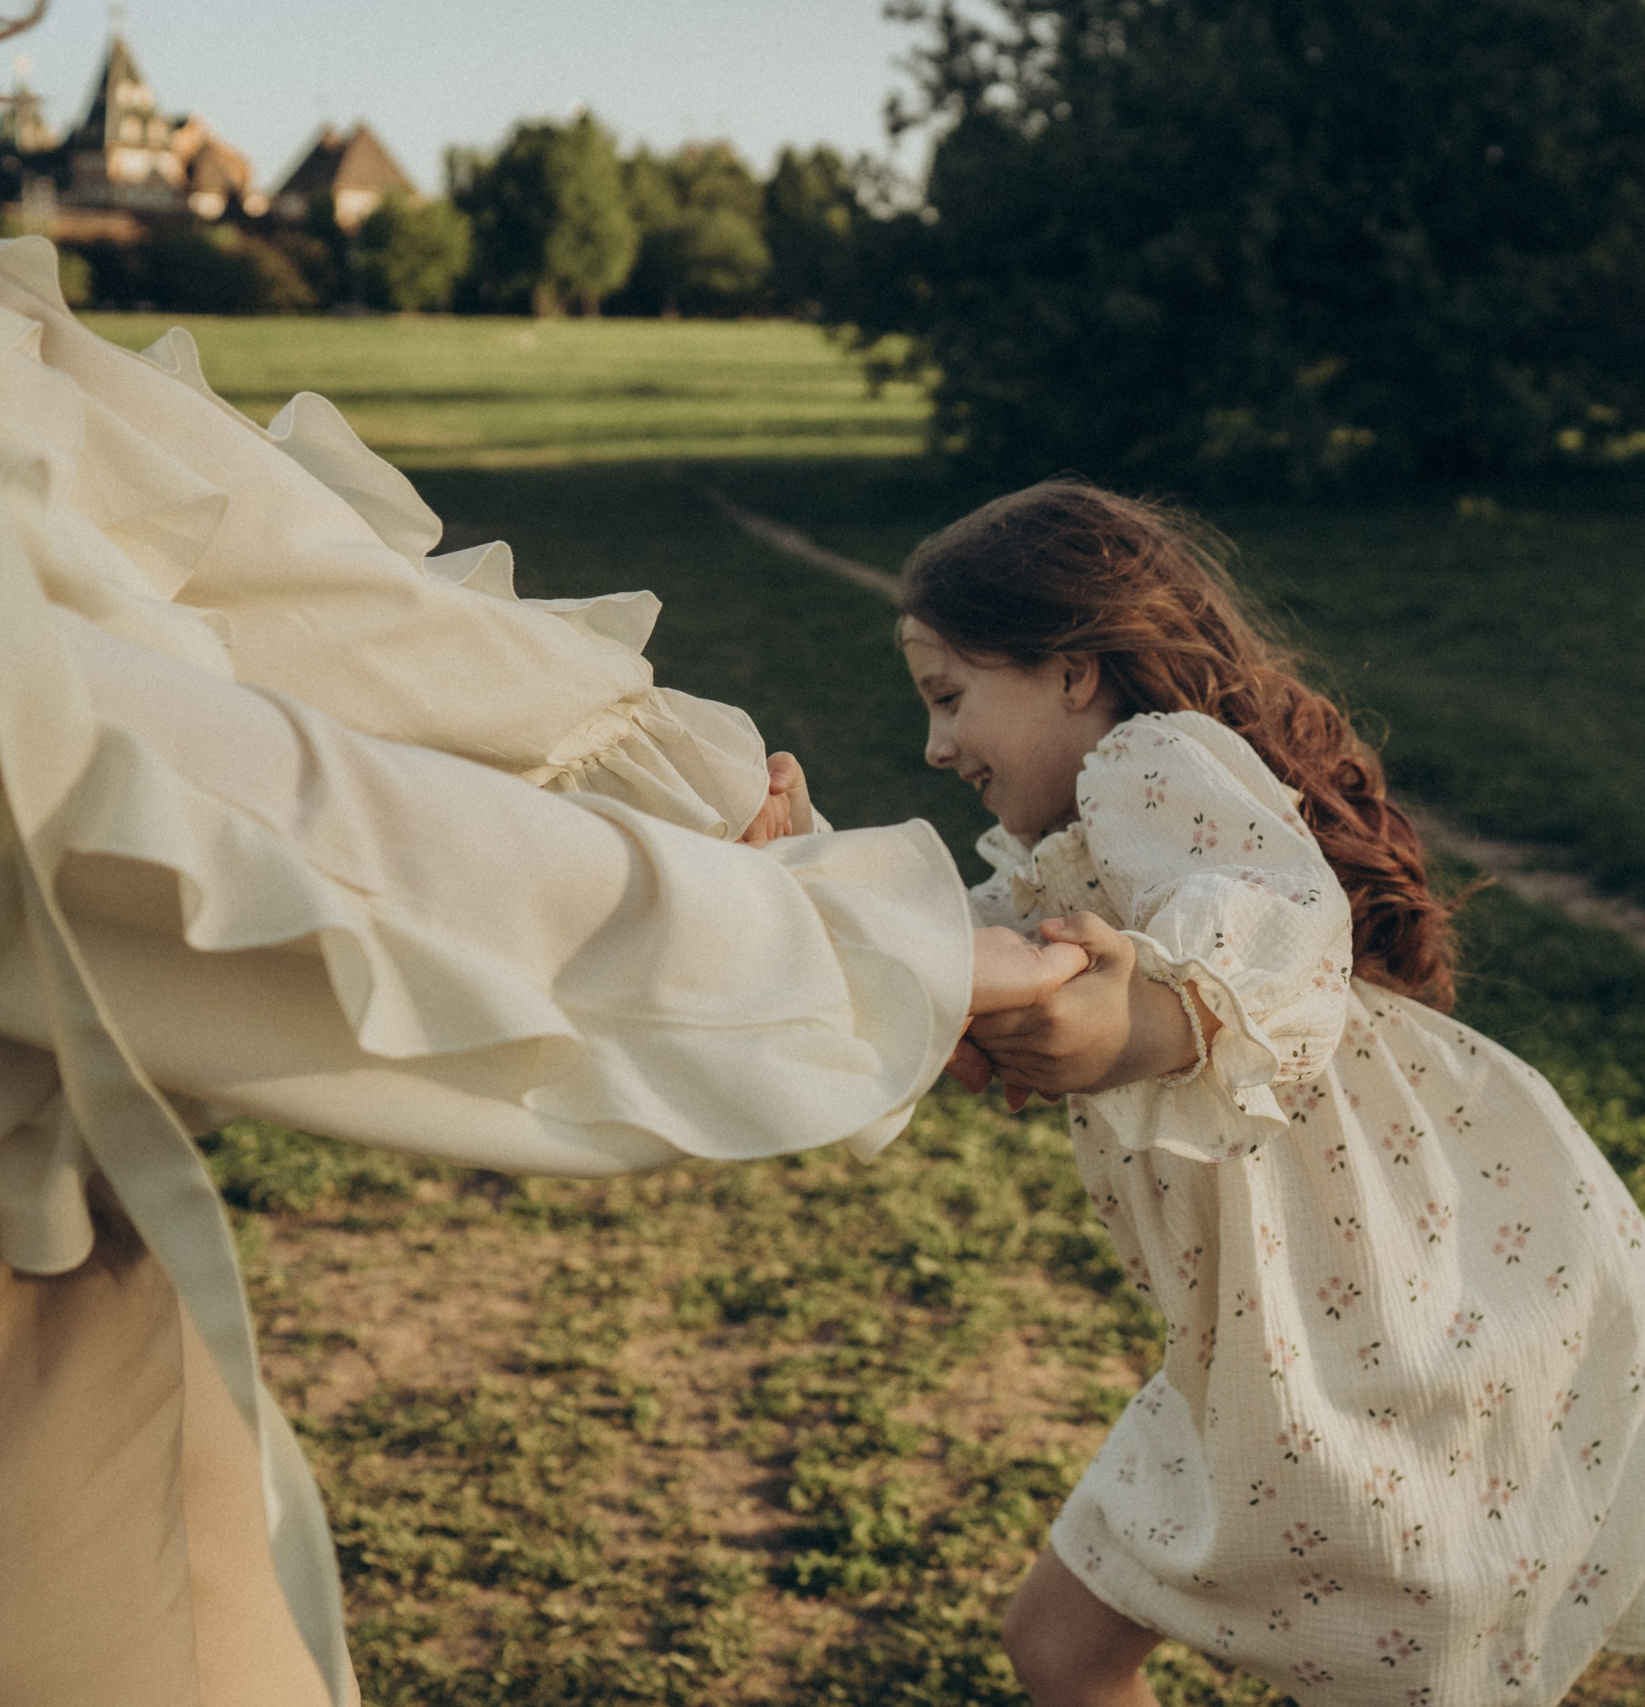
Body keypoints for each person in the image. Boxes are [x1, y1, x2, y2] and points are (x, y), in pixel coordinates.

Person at [0, 235, 1083, 1707]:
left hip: (75, 1260)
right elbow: (179, 793)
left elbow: (294, 598)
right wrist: (841, 948)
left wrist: (703, 811)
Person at [895, 481, 1645, 1707]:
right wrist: (806, 900)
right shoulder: (1073, 855)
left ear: (1072, 671)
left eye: (948, 696)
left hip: (1369, 1345)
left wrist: (1146, 1023)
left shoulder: (1150, 761)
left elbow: (1266, 920)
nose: (935, 746)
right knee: (1059, 1648)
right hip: (1252, 1360)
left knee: (1359, 1663)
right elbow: (952, 941)